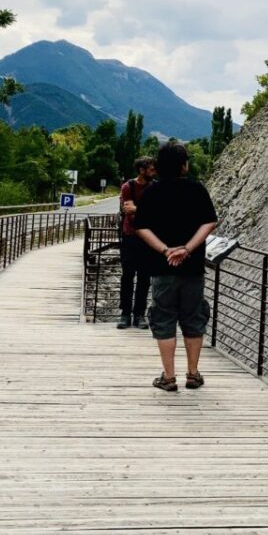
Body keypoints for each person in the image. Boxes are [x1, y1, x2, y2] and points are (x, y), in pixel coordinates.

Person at [134, 140, 218, 391]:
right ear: (184, 165)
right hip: (192, 268)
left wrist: (166, 250)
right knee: (194, 318)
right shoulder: (197, 189)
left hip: (162, 267)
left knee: (163, 318)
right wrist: (188, 248)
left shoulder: (152, 191)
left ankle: (168, 377)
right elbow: (210, 222)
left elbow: (141, 227)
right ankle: (193, 374)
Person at [116, 156, 156, 330]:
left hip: (148, 238)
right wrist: (147, 212)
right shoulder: (128, 187)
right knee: (127, 275)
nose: (154, 172)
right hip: (130, 236)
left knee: (145, 277)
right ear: (142, 170)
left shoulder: (155, 187)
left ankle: (139, 314)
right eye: (151, 169)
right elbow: (129, 213)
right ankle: (125, 313)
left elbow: (158, 212)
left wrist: (139, 210)